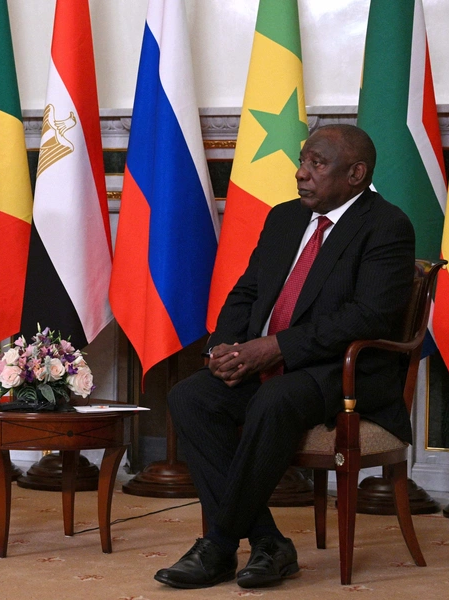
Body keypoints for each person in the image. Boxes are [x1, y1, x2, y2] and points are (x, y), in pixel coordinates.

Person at [154, 124, 416, 589]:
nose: (301, 173)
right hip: (269, 361)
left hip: (342, 372)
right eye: (302, 160)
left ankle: (217, 544)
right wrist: (225, 349)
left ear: (356, 173)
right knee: (190, 397)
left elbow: (367, 318)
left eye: (317, 164)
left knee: (272, 400)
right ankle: (269, 542)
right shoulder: (284, 218)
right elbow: (248, 292)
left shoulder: (387, 226)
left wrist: (272, 348)